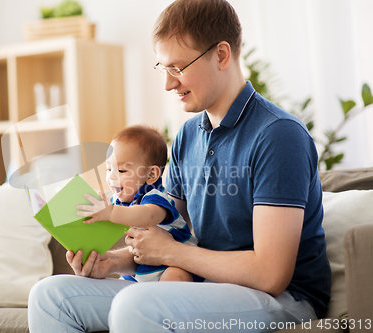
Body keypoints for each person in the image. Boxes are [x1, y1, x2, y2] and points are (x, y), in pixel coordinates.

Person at [28, 0, 331, 332]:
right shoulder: (189, 135)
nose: (169, 84)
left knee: (136, 306)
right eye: (163, 68)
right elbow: (171, 236)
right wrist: (112, 263)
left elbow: (271, 274)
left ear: (221, 55)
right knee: (50, 296)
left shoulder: (278, 135)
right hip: (204, 286)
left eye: (178, 67)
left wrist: (172, 253)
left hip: (283, 300)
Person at [76, 125, 198, 283]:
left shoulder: (156, 197)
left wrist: (111, 212)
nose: (112, 177)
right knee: (121, 285)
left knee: (175, 277)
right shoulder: (119, 200)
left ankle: (161, 303)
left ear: (151, 174)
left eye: (121, 171)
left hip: (175, 267)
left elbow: (148, 216)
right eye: (108, 169)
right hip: (141, 270)